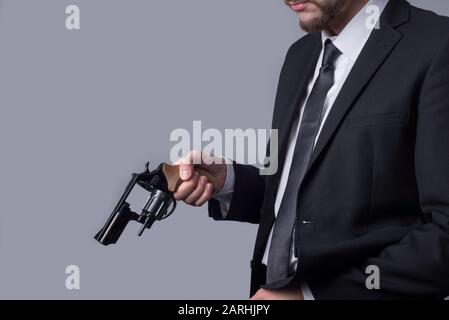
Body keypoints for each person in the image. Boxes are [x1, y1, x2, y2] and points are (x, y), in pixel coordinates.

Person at [173, 0, 449, 299]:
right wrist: (228, 180)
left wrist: (311, 295)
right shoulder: (300, 55)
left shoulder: (438, 45)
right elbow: (298, 196)